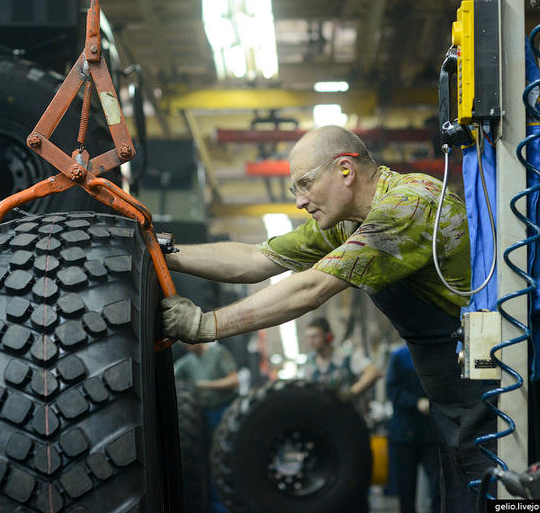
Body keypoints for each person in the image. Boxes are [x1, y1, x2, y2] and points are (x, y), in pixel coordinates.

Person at [159, 125, 495, 512]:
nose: (300, 201)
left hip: (488, 380)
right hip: (449, 386)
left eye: (305, 184)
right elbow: (255, 260)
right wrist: (166, 251)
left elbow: (311, 289)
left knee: (488, 490)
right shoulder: (346, 224)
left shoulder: (409, 206)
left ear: (345, 170)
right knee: (459, 491)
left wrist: (205, 326)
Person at [173, 341, 239, 513]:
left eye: (187, 344)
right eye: (183, 346)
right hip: (206, 414)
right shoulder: (188, 361)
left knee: (227, 459)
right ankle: (217, 507)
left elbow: (234, 380)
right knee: (211, 461)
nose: (187, 348)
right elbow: (173, 376)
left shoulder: (217, 353)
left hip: (225, 410)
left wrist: (205, 385)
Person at [386, 343, 440, 513]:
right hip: (404, 433)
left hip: (431, 434)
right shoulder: (400, 356)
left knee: (438, 488)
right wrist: (416, 403)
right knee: (406, 489)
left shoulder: (435, 353)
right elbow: (392, 390)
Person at [302, 317, 381, 404]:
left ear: (328, 336)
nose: (310, 341)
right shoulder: (309, 361)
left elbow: (373, 372)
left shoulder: (346, 356)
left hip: (349, 410)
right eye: (308, 337)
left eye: (314, 336)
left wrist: (350, 393)